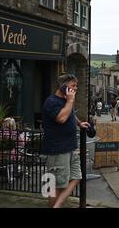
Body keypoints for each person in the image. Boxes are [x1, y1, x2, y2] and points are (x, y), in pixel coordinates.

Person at [41, 74, 90, 208]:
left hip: (70, 147)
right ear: (63, 86)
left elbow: (70, 114)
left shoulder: (66, 100)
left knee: (76, 177)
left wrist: (79, 124)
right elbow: (61, 118)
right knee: (56, 185)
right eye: (73, 86)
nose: (76, 89)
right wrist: (69, 101)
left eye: (76, 86)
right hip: (57, 149)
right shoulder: (51, 101)